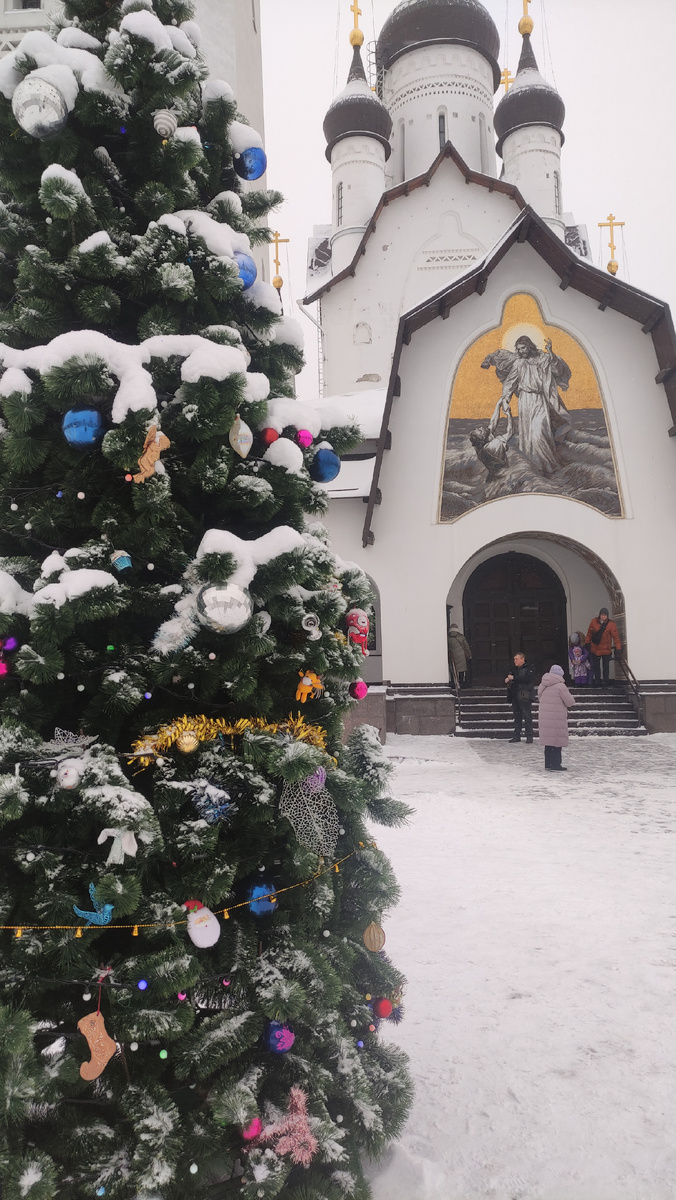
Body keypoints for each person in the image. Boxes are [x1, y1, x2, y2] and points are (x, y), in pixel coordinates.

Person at [481, 335, 572, 477]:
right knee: (527, 437)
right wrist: (506, 398)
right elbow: (510, 382)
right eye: (518, 349)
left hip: (540, 399)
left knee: (539, 433)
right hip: (525, 400)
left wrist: (551, 353)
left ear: (529, 346)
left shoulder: (543, 359)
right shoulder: (519, 363)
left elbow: (558, 370)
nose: (521, 351)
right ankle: (533, 469)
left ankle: (549, 466)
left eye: (523, 347)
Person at [538, 664, 576, 771]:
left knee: (548, 741)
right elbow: (569, 702)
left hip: (545, 716)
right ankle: (556, 764)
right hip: (557, 716)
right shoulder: (561, 686)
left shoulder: (542, 685)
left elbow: (540, 697)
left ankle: (548, 764)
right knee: (556, 741)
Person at [585, 607, 622, 688]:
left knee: (605, 667)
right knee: (596, 666)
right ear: (599, 615)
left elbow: (616, 637)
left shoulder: (611, 624)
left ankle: (605, 682)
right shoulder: (594, 622)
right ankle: (598, 681)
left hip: (605, 649)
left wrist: (618, 648)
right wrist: (587, 642)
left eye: (604, 615)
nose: (603, 617)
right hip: (596, 648)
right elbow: (589, 633)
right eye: (602, 615)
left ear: (607, 616)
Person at [505, 652, 535, 743]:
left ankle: (529, 736)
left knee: (527, 716)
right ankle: (516, 735)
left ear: (522, 659)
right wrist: (507, 680)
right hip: (515, 695)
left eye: (516, 659)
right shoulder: (513, 669)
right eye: (514, 659)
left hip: (525, 695)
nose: (515, 661)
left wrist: (514, 678)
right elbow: (511, 678)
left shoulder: (529, 668)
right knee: (517, 716)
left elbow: (527, 679)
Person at [448, 623, 472, 688]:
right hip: (461, 655)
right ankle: (461, 683)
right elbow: (466, 646)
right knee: (461, 670)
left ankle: (454, 683)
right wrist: (469, 654)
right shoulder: (461, 637)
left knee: (453, 669)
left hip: (452, 656)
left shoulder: (447, 637)